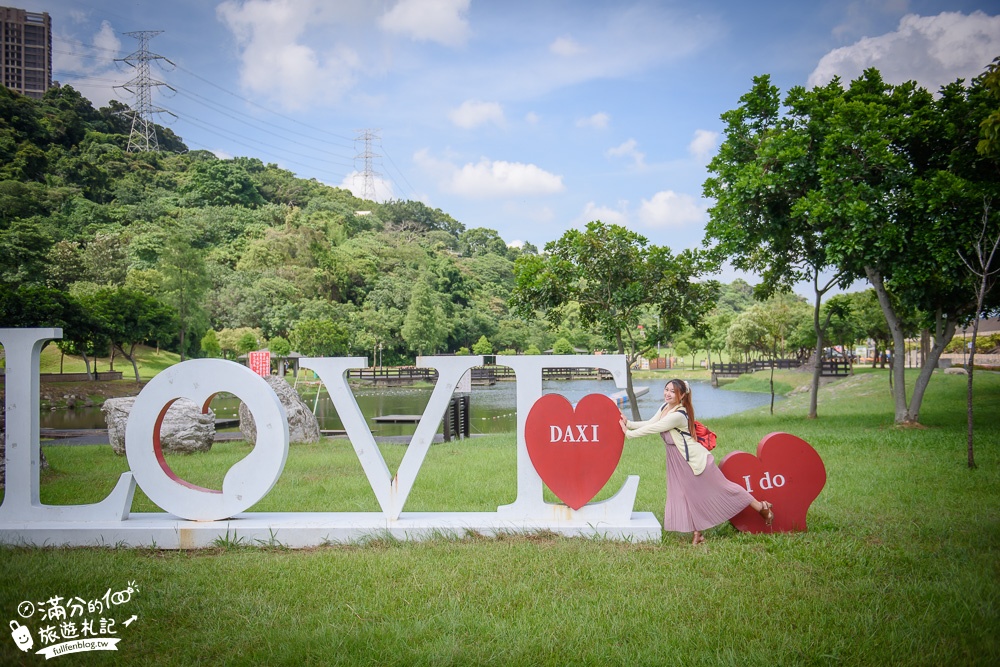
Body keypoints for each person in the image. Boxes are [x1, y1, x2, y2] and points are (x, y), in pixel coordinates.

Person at [620, 379, 774, 545]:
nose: (668, 393)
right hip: (677, 461)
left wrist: (629, 434)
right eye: (666, 389)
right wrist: (629, 423)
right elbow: (651, 422)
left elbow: (654, 428)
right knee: (688, 497)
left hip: (693, 461)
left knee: (725, 488)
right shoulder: (665, 407)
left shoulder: (678, 415)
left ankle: (761, 508)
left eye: (673, 391)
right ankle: (698, 535)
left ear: (682, 395)